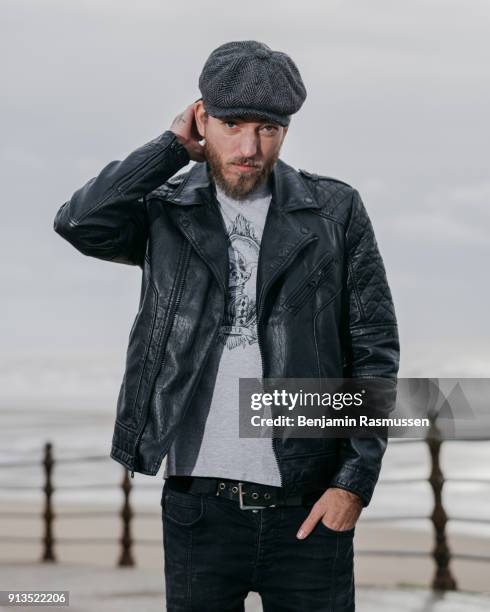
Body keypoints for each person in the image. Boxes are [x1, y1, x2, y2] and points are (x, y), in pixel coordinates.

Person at [53, 40, 399, 612]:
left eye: (267, 128)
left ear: (285, 131)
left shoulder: (336, 212)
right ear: (201, 119)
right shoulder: (165, 210)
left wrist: (353, 483)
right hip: (198, 508)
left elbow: (373, 351)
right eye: (232, 124)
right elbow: (79, 221)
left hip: (309, 506)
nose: (248, 147)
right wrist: (167, 150)